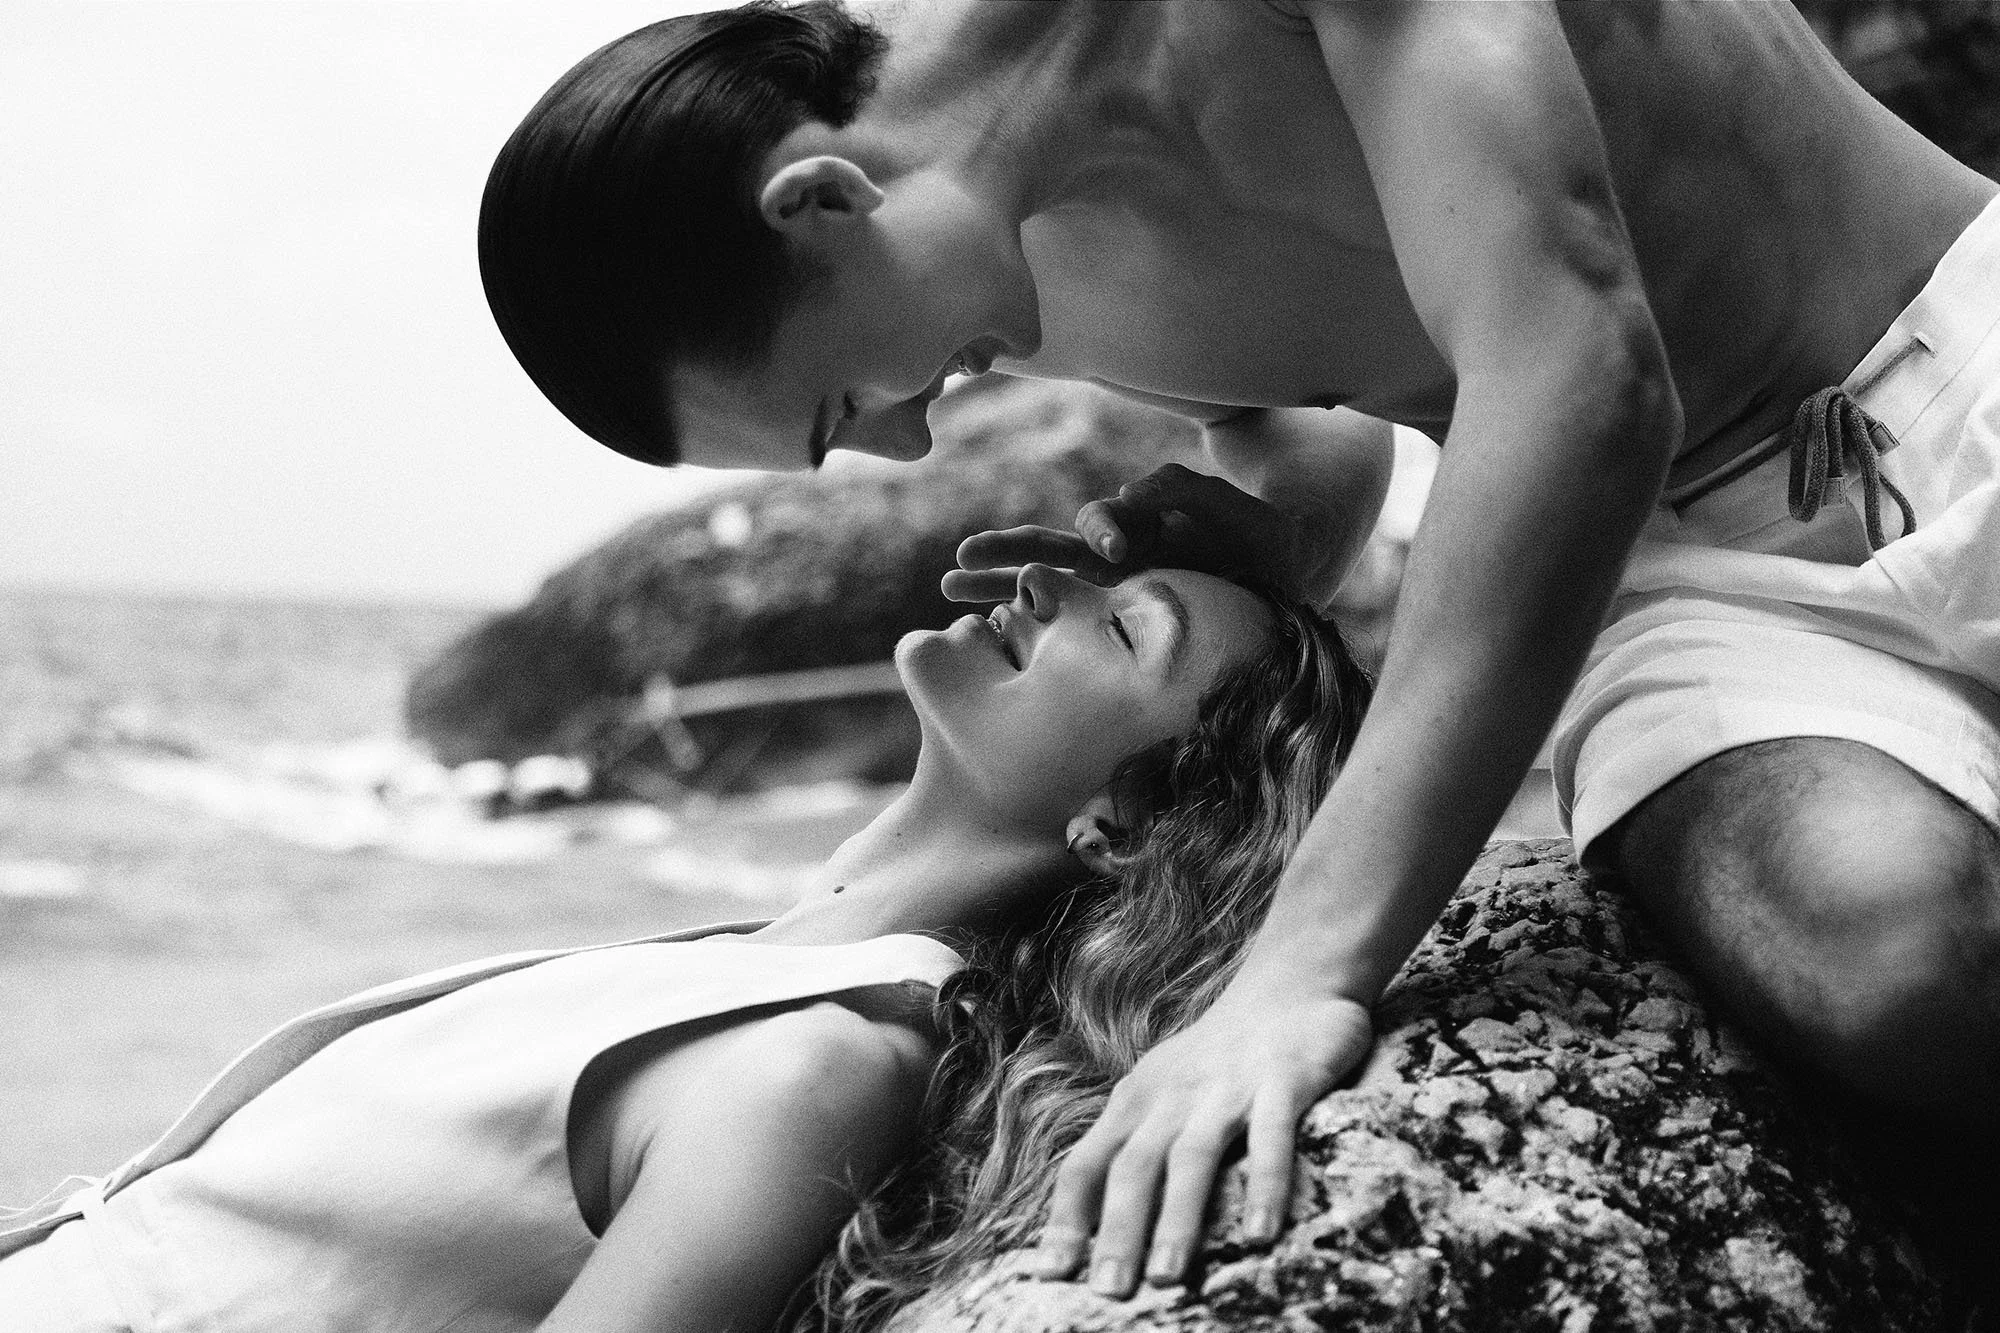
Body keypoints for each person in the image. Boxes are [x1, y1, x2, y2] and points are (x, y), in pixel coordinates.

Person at [477, 0, 2000, 1300]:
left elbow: (1583, 367)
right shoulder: (996, 245)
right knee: (1895, 963)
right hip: (1668, 579)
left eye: (840, 410)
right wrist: (1252, 548)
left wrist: (1299, 979)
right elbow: (1328, 431)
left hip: (1951, 342)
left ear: (818, 201)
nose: (915, 434)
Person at [0, 564, 1370, 1332]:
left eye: (1122, 622)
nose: (1053, 576)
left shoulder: (810, 1072)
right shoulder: (757, 963)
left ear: (1126, 826)